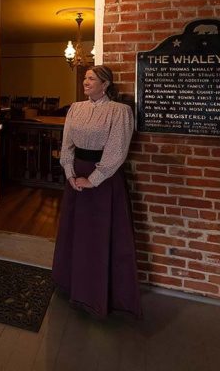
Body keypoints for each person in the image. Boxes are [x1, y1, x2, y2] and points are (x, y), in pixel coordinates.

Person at [52, 65, 141, 318]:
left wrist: (93, 179)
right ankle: (71, 284)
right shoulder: (75, 109)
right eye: (85, 78)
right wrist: (69, 172)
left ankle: (98, 292)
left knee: (99, 234)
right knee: (75, 232)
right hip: (75, 177)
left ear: (105, 84)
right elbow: (66, 144)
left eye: (91, 78)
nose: (86, 82)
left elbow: (117, 150)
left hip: (104, 181)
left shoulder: (119, 111)